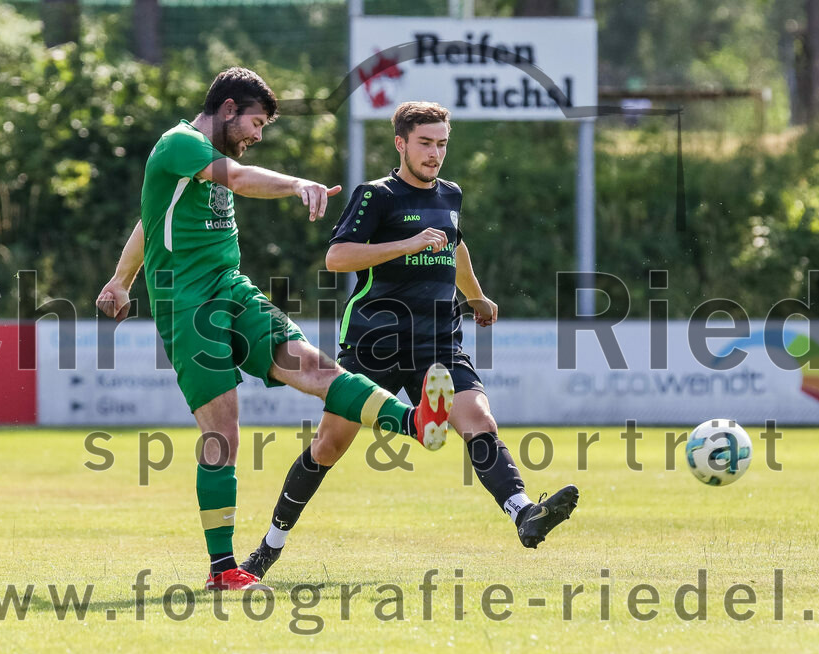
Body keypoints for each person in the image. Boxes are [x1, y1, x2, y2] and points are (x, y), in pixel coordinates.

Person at [95, 68, 454, 592]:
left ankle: (416, 422)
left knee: (314, 366)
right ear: (227, 109)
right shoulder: (178, 144)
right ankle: (224, 570)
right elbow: (232, 183)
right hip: (189, 307)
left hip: (231, 289)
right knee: (223, 434)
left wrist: (120, 281)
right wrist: (298, 185)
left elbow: (151, 220)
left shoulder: (194, 162)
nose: (257, 136)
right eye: (255, 123)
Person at [239, 101, 579, 581]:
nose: (435, 153)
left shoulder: (452, 195)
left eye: (442, 143)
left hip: (439, 341)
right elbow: (337, 257)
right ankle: (268, 549)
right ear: (400, 143)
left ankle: (523, 512)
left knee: (478, 419)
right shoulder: (376, 195)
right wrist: (406, 243)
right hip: (373, 342)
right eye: (425, 143)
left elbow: (455, 244)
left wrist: (477, 297)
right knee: (328, 446)